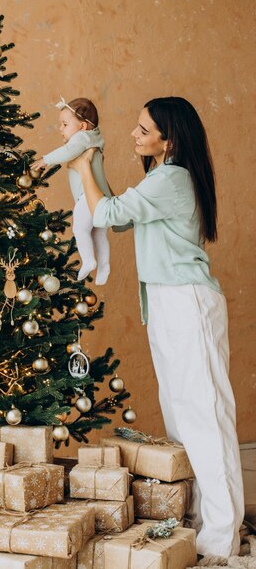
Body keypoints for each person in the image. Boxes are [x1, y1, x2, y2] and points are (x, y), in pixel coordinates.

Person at [68, 96, 244, 561]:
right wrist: (96, 163)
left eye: (144, 130)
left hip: (187, 300)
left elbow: (106, 215)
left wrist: (82, 163)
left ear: (169, 139)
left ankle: (220, 536)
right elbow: (119, 215)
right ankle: (200, 524)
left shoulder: (173, 178)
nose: (134, 134)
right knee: (181, 418)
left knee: (204, 417)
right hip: (167, 301)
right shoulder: (159, 178)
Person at [31, 97, 112, 285]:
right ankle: (104, 266)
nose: (61, 129)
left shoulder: (82, 138)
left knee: (80, 228)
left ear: (82, 126)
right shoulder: (94, 138)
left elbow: (67, 151)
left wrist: (46, 159)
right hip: (102, 196)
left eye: (65, 124)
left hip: (89, 196)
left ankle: (89, 260)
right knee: (98, 233)